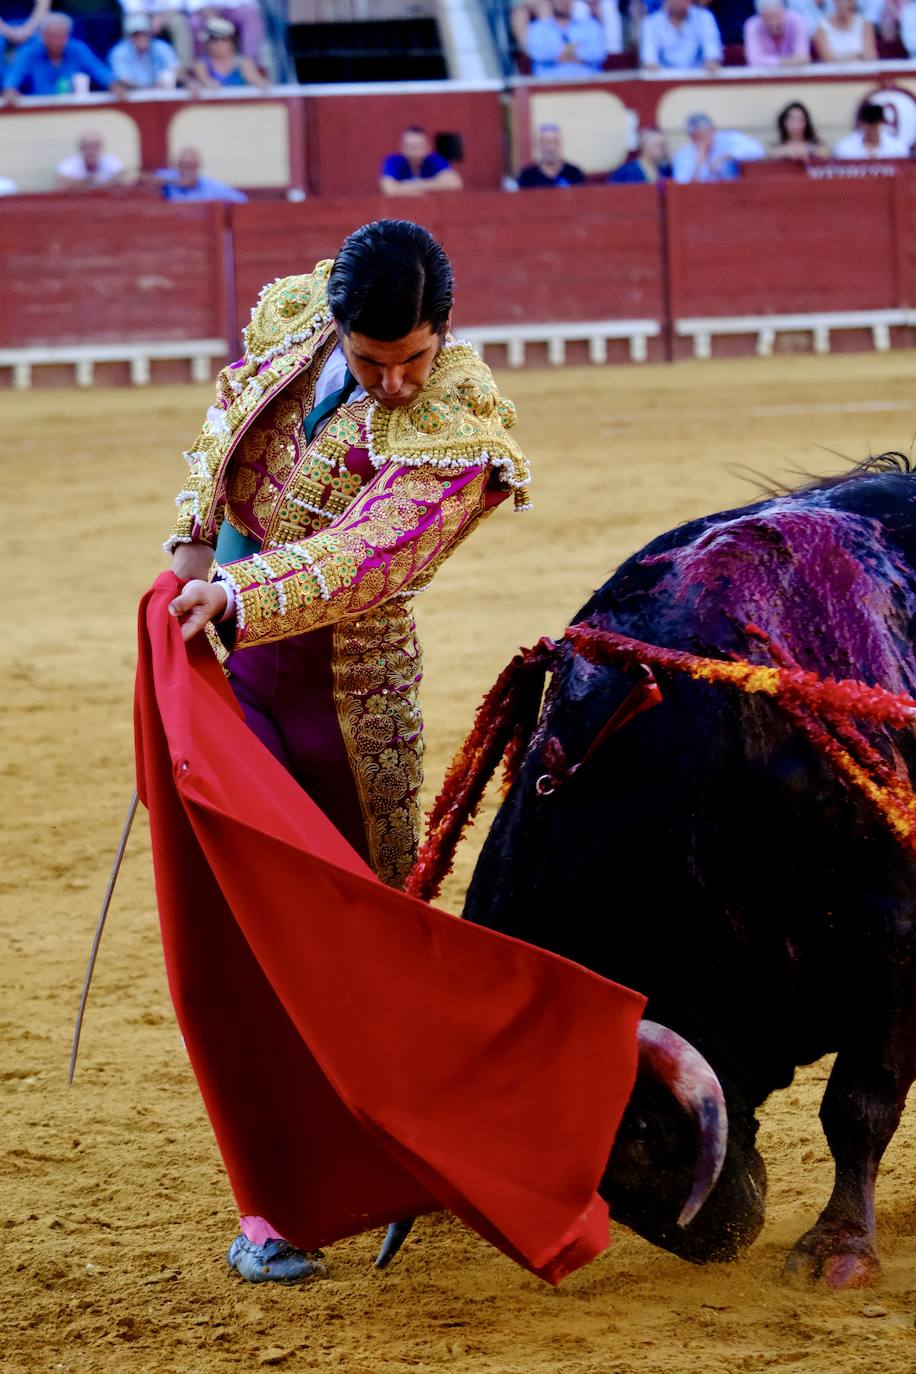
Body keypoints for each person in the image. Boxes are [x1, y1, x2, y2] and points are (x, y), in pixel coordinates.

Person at [164, 219, 530, 1283]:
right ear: (337, 331)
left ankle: (415, 1153)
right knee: (250, 936)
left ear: (443, 333)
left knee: (369, 930)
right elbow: (228, 414)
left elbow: (367, 555)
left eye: (414, 356)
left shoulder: (459, 414)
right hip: (238, 681)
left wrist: (231, 591)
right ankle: (278, 1197)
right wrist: (193, 532)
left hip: (350, 696)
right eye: (374, 364)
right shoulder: (292, 316)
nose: (400, 381)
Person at [2, 11, 124, 96]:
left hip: (73, 110)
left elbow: (100, 71)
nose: (57, 42)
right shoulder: (29, 52)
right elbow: (14, 76)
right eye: (53, 37)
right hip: (40, 112)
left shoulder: (78, 49)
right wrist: (10, 90)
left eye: (62, 37)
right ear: (43, 36)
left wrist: (113, 84)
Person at [525, 0, 608, 76]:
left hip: (589, 84)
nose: (564, 2)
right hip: (548, 85)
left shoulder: (591, 26)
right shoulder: (538, 28)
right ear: (551, 1)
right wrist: (573, 52)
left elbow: (598, 53)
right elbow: (538, 54)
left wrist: (559, 55)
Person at [672, 111, 757, 181]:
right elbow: (683, 188)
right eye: (693, 136)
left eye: (700, 135)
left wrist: (725, 157)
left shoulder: (729, 139)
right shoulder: (683, 155)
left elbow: (758, 150)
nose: (697, 140)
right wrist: (698, 165)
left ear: (712, 130)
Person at [379, 126, 463, 195]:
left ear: (427, 147)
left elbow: (455, 183)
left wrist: (412, 185)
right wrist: (434, 185)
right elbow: (389, 189)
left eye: (419, 146)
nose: (415, 151)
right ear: (403, 147)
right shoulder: (393, 161)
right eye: (411, 146)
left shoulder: (434, 159)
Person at [640, 0, 723, 69]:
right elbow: (649, 60)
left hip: (697, 78)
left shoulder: (704, 17)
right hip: (664, 79)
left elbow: (712, 54)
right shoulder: (651, 22)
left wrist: (712, 63)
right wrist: (651, 67)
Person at [190, 14, 267, 86]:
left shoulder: (243, 63)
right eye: (212, 40)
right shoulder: (202, 65)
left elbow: (259, 82)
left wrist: (259, 82)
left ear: (231, 42)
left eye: (221, 40)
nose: (217, 45)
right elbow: (202, 82)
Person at [108, 13, 181, 87]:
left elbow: (176, 68)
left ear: (150, 33)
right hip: (134, 93)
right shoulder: (119, 52)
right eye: (136, 35)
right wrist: (150, 89)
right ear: (128, 37)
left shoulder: (161, 46)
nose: (141, 38)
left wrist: (167, 78)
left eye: (144, 33)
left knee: (168, 77)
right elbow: (123, 79)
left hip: (162, 92)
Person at [156, 145, 248, 200]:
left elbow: (241, 199)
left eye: (193, 165)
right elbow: (148, 180)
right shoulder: (170, 178)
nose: (189, 169)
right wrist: (176, 182)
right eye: (185, 165)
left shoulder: (210, 186)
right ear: (178, 165)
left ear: (199, 166)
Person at [833, 100, 911, 157]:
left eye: (876, 124)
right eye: (869, 124)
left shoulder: (897, 149)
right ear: (862, 124)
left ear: (882, 123)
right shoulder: (845, 148)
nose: (872, 128)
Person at [518, 124, 586, 187]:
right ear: (538, 145)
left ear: (561, 144)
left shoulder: (574, 173)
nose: (551, 148)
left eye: (555, 142)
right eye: (546, 142)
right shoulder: (527, 176)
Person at [56, 129, 127, 187]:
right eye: (87, 146)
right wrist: (88, 181)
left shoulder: (112, 162)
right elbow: (61, 185)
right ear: (80, 148)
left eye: (95, 146)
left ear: (101, 147)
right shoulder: (68, 165)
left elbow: (122, 180)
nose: (91, 151)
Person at [743, 0, 810, 60]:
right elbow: (754, 59)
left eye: (776, 16)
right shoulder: (752, 25)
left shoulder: (797, 21)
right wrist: (783, 61)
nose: (773, 22)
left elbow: (802, 56)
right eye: (767, 17)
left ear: (784, 12)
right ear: (760, 16)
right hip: (764, 73)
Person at [608, 127, 673, 182]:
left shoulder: (665, 171)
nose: (662, 149)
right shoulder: (626, 172)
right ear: (644, 147)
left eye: (663, 146)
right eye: (656, 145)